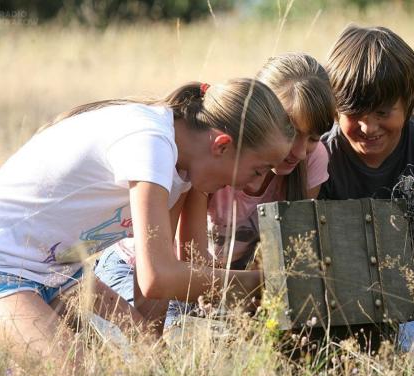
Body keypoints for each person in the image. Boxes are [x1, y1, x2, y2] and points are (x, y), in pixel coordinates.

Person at [0, 78, 294, 362]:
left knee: (154, 363)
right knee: (73, 369)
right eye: (258, 170)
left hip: (59, 274)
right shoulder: (151, 142)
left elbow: (152, 289)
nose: (254, 186)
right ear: (222, 146)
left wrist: (153, 356)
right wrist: (264, 284)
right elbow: (157, 276)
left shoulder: (181, 171)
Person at [95, 52, 336, 325]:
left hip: (218, 285)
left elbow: (292, 250)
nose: (298, 151)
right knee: (185, 333)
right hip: (142, 270)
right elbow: (189, 255)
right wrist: (252, 290)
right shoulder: (212, 159)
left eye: (313, 138)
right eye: (290, 131)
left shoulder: (311, 163)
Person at [319, 25, 414, 350]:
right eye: (354, 112)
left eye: (382, 112)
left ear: (409, 103)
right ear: (334, 107)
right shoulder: (320, 154)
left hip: (411, 290)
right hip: (338, 295)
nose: (368, 127)